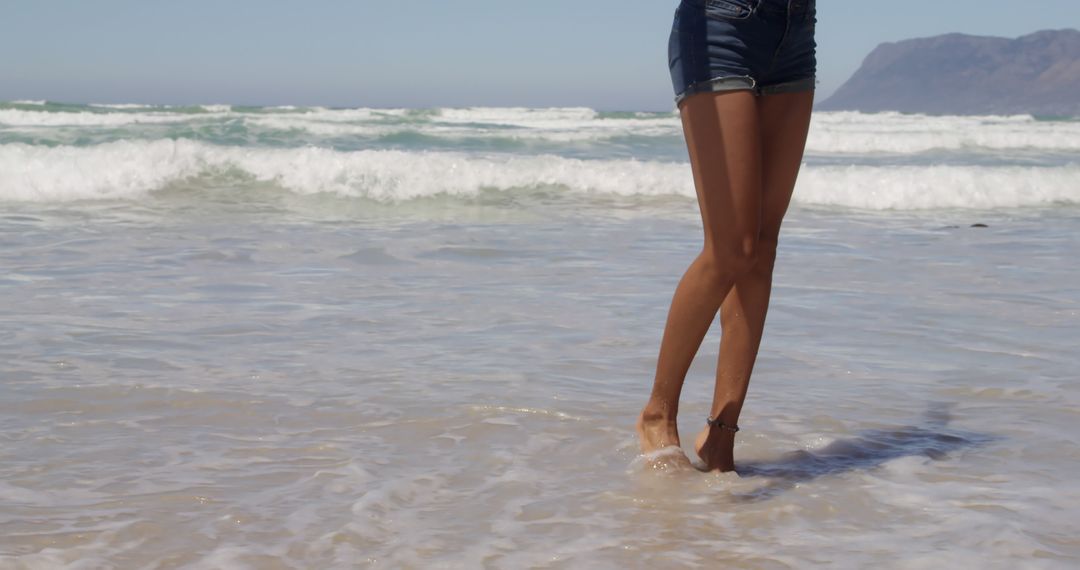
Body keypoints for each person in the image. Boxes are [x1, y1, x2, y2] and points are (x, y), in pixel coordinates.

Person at [637, 0, 817, 472]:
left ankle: (721, 436)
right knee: (732, 247)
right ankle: (657, 414)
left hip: (795, 30)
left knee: (762, 247)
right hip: (719, 25)